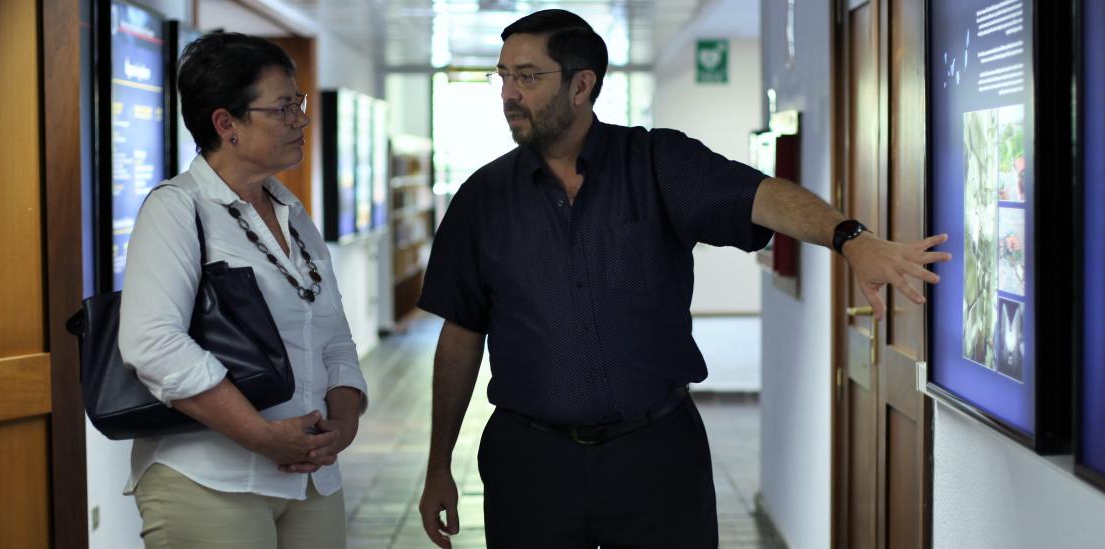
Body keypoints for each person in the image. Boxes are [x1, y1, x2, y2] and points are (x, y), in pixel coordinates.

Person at [415, 9, 950, 549]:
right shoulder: (482, 200)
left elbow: (759, 195)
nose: (509, 92)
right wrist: (439, 464)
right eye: (503, 75)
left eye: (528, 76)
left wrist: (850, 237)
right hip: (530, 464)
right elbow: (460, 337)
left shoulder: (654, 163)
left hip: (655, 456)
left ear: (582, 86)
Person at [118, 32, 367, 549]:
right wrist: (260, 435)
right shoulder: (176, 209)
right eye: (282, 108)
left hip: (310, 480)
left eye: (297, 104)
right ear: (226, 123)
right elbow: (153, 344)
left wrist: (342, 424)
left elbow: (335, 338)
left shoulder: (292, 214)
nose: (301, 119)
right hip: (209, 480)